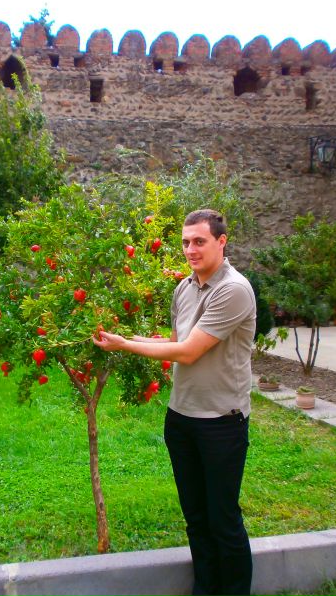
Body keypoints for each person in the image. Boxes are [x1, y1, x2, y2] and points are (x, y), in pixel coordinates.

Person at [93, 209, 256, 596]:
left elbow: (188, 353)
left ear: (221, 242)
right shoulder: (184, 288)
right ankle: (205, 589)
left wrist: (125, 345)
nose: (190, 250)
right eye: (185, 242)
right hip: (182, 417)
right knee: (196, 517)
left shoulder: (233, 289)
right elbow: (174, 342)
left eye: (199, 241)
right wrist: (122, 338)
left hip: (221, 422)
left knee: (223, 519)